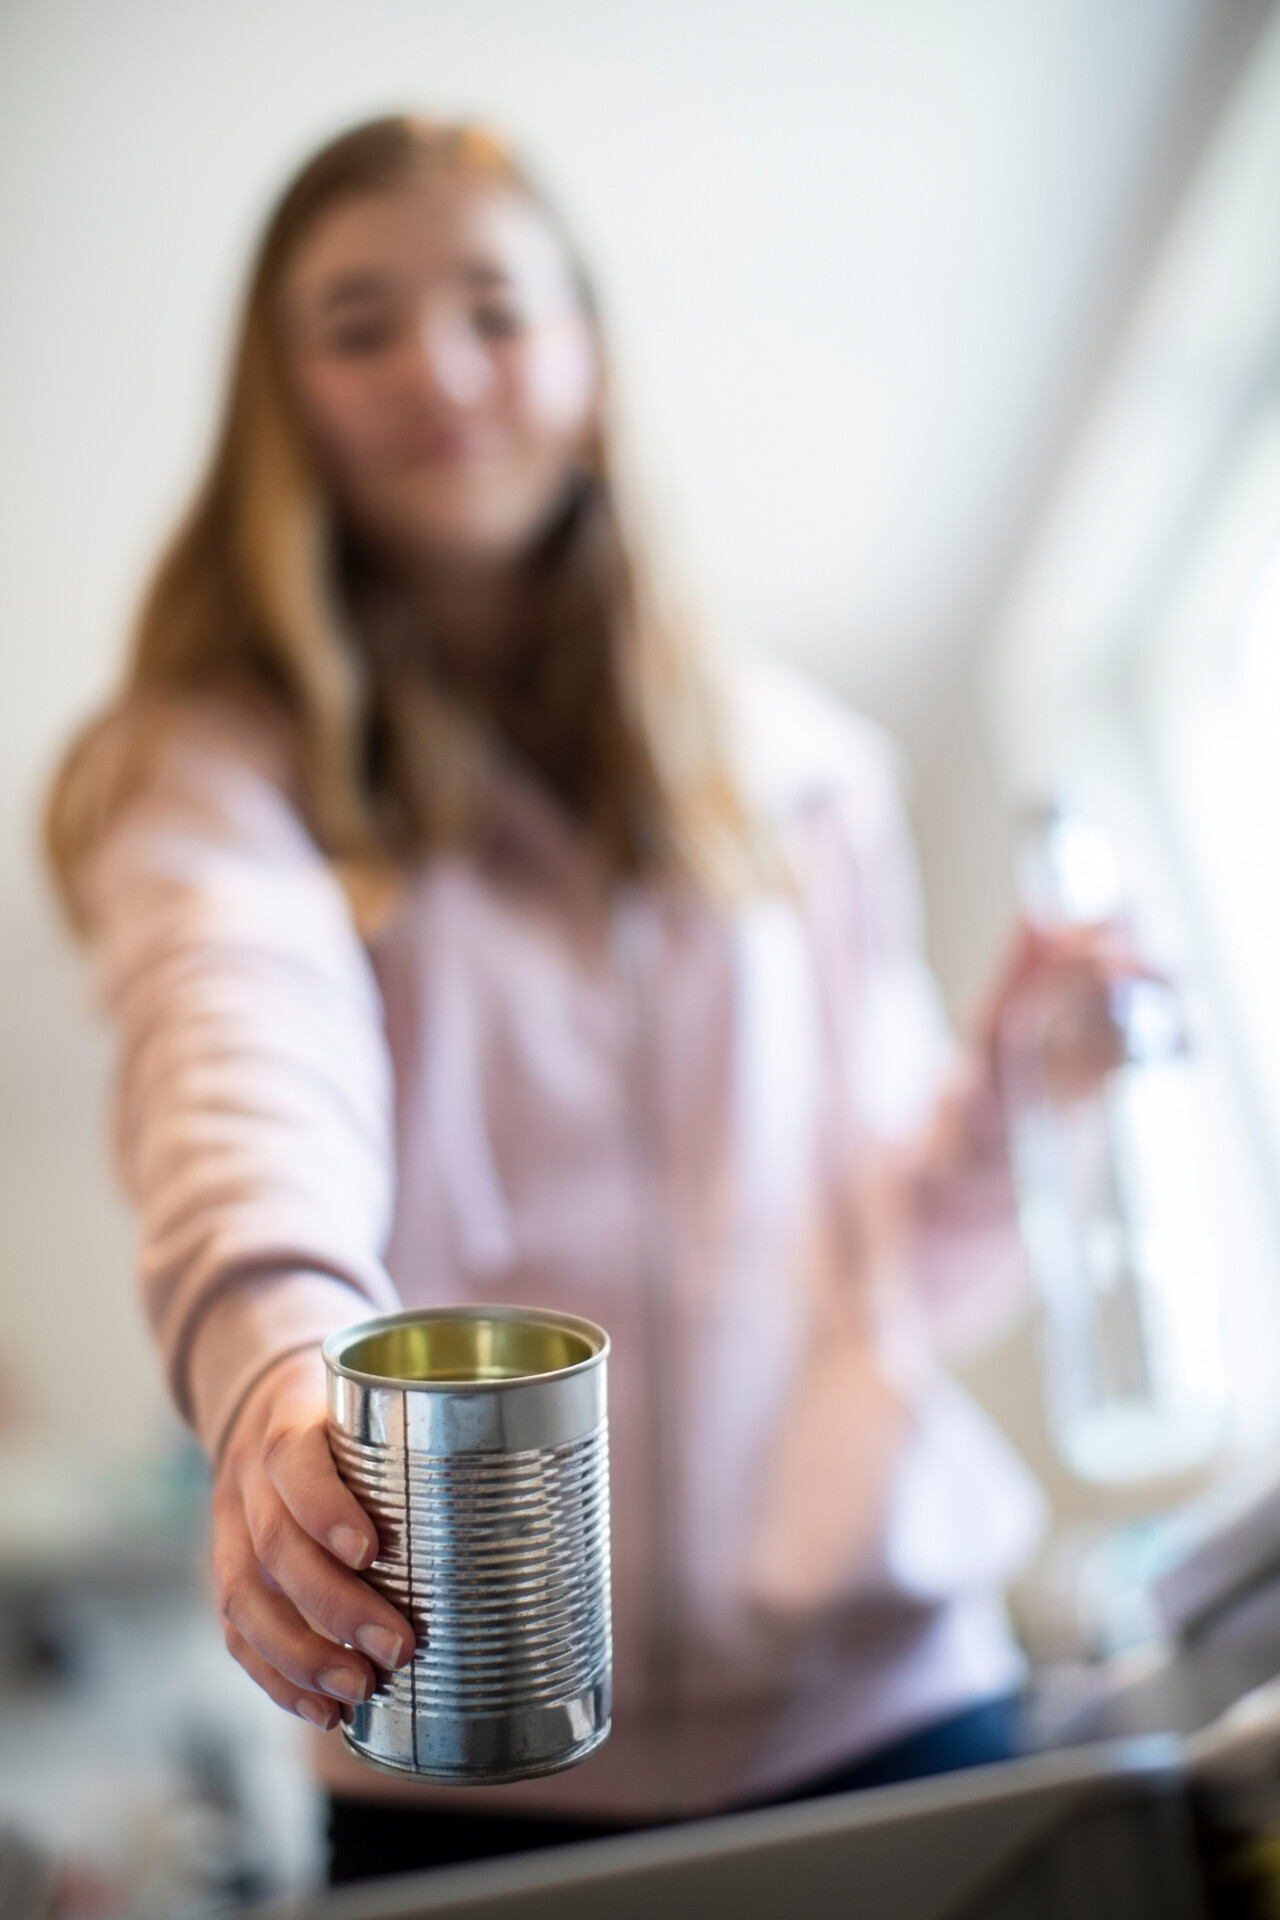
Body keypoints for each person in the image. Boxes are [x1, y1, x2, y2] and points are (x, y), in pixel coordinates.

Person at [47, 116, 1057, 1886]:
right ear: (281, 401)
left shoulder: (803, 778)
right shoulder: (212, 777)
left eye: (495, 310)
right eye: (357, 325)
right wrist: (283, 1353)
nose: (436, 364)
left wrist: (1018, 1107)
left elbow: (916, 1276)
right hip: (461, 1764)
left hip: (895, 1710)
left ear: (590, 363)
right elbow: (239, 1053)